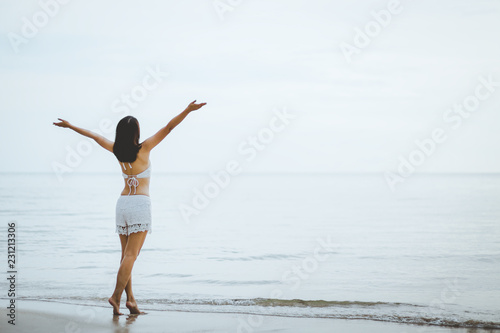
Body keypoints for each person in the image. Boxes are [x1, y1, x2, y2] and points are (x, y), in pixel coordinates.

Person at [53, 100, 207, 315]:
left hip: (122, 204)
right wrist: (188, 111)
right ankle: (116, 296)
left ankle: (131, 301)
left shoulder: (115, 149)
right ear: (136, 132)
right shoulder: (144, 148)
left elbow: (94, 136)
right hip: (139, 204)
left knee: (126, 255)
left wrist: (71, 126)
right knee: (131, 256)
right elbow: (169, 127)